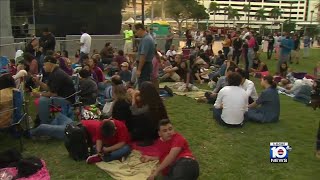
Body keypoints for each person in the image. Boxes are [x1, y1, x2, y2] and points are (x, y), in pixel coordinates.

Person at [31, 56, 76, 124]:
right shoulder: (54, 72)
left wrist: (39, 94)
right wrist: (38, 82)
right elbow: (49, 88)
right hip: (62, 96)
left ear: (49, 64)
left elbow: (53, 94)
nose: (43, 67)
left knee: (43, 100)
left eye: (44, 65)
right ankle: (43, 120)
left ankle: (44, 123)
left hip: (67, 99)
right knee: (43, 97)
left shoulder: (57, 74)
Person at [130, 82, 168, 146]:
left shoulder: (149, 106)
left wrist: (133, 96)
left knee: (137, 120)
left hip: (154, 132)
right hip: (160, 127)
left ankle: (148, 140)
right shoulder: (157, 99)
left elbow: (134, 112)